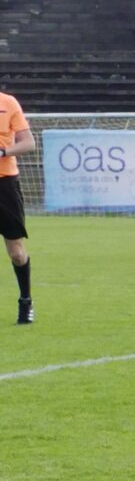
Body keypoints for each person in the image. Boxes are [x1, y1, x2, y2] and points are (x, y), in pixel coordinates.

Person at [0, 85, 32, 323]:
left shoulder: (8, 103)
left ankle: (26, 301)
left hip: (5, 185)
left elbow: (28, 143)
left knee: (16, 253)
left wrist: (4, 152)